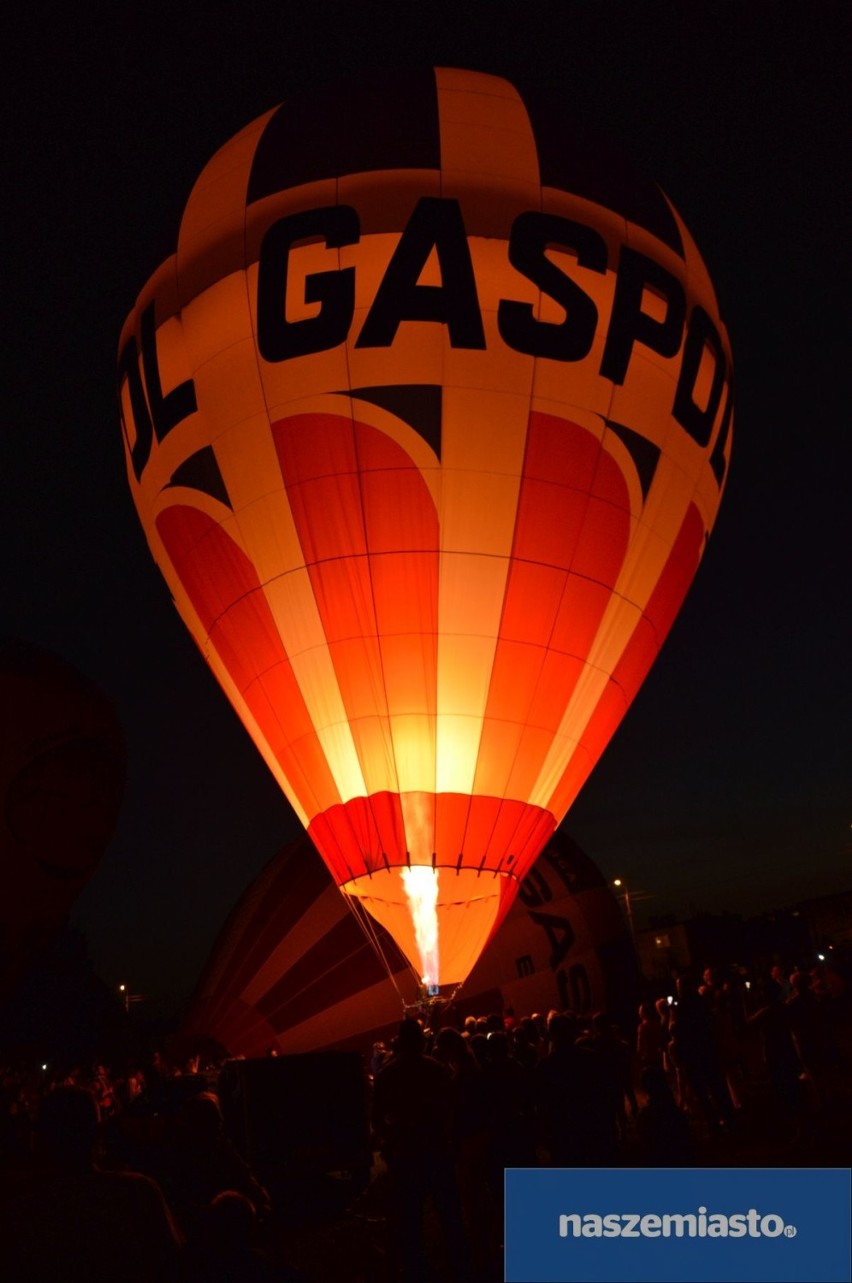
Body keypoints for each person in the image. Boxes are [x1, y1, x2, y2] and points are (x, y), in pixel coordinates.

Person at [0, 1085, 182, 1283]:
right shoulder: (139, 1192)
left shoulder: (22, 1215)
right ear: (97, 1133)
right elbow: (174, 1262)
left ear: (42, 1136)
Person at [372, 1019, 470, 1283]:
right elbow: (452, 1108)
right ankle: (460, 1264)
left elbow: (377, 1118)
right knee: (449, 1212)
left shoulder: (386, 1074)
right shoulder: (435, 1069)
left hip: (405, 1152)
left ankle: (416, 1267)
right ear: (421, 1040)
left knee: (410, 1216)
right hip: (435, 1148)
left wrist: (390, 1142)